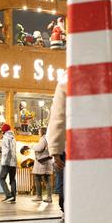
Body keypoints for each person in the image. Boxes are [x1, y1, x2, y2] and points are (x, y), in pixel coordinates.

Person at [46, 81, 67, 215]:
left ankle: (66, 208)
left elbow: (58, 118)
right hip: (100, 148)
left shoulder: (67, 79)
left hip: (70, 146)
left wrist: (55, 151)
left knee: (64, 180)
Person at [32, 127, 53, 203]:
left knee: (37, 178)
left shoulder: (43, 139)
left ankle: (39, 196)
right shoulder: (49, 138)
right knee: (47, 179)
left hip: (42, 162)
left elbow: (39, 148)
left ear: (42, 132)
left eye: (39, 131)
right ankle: (49, 197)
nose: (38, 133)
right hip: (47, 161)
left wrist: (32, 146)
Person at [0, 124, 17, 203]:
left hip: (7, 161)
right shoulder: (13, 137)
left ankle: (8, 195)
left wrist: (4, 161)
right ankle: (13, 197)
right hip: (13, 162)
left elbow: (6, 150)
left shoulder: (6, 138)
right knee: (12, 179)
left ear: (4, 130)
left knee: (1, 178)